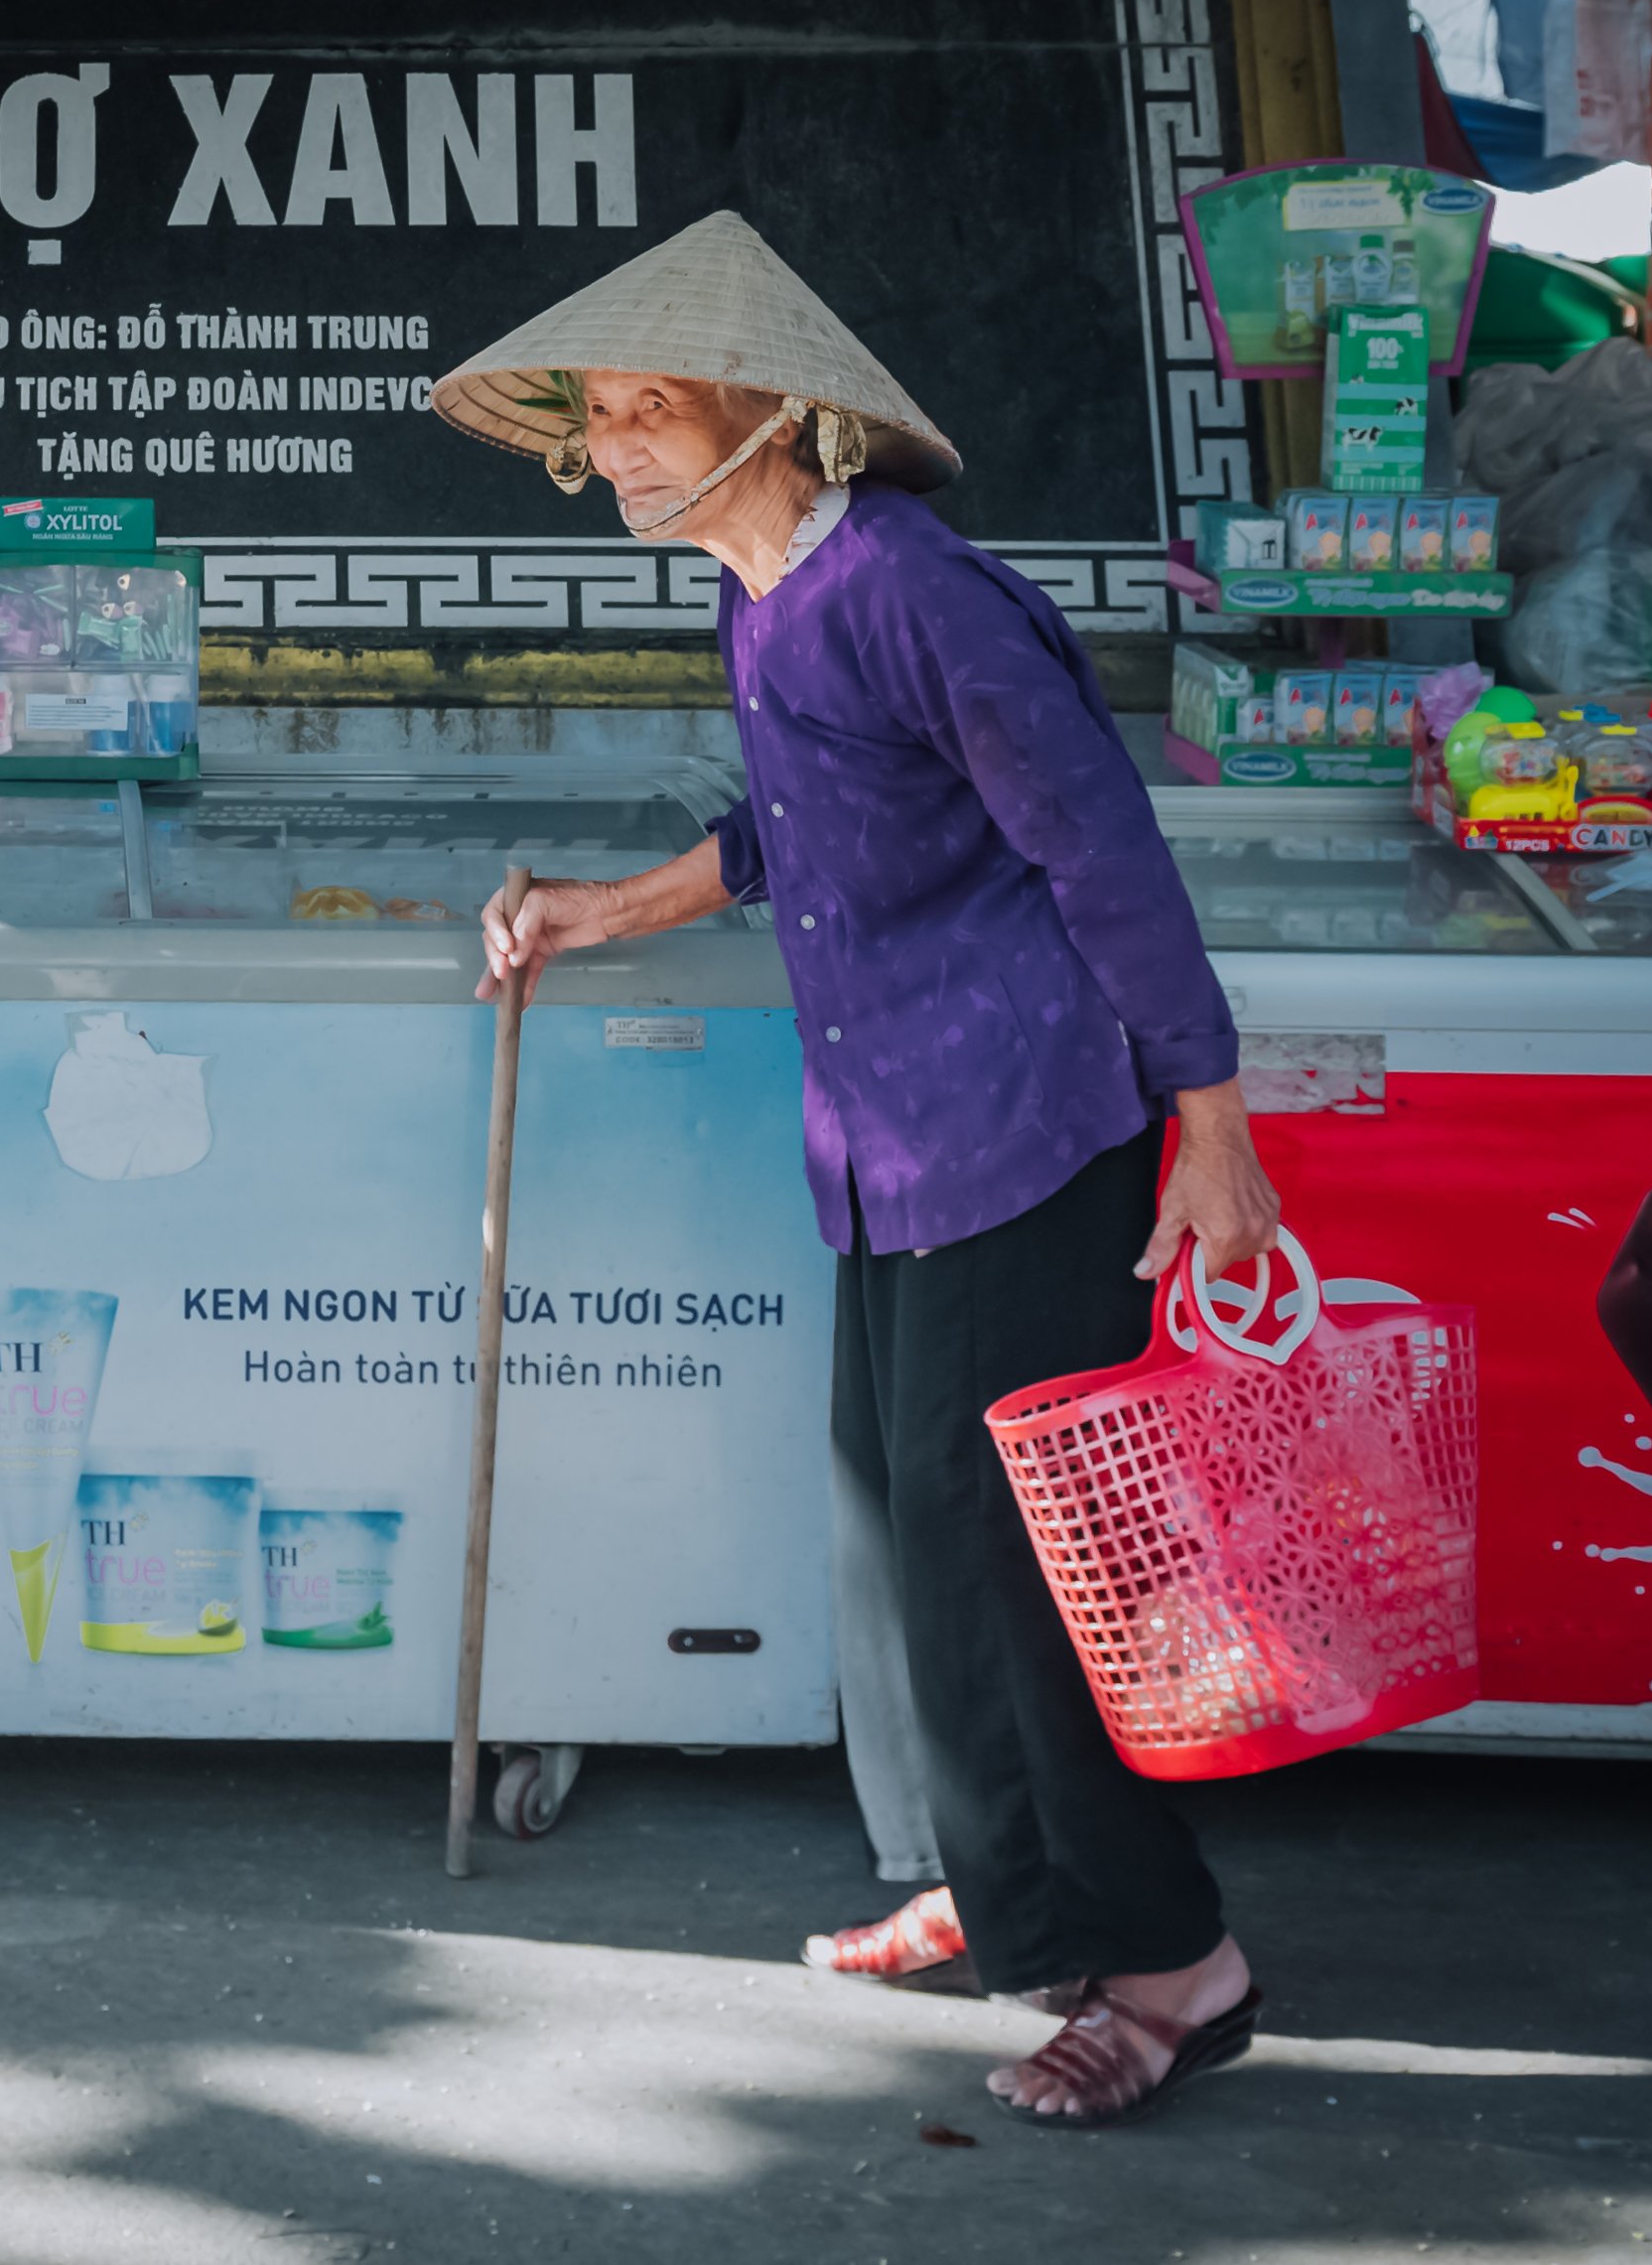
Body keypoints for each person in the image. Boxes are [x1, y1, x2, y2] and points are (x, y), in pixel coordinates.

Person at [440, 212, 1278, 2129]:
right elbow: (792, 824)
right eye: (602, 416)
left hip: (1028, 1136)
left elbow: (1105, 858)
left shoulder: (916, 589)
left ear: (776, 420)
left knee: (1018, 1574)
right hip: (891, 1141)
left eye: (655, 410)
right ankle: (1013, 1904)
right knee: (914, 1541)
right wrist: (601, 911)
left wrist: (1211, 1126)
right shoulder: (757, 594)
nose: (616, 447)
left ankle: (1167, 1966)